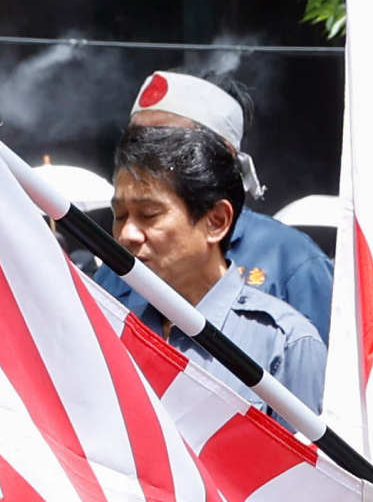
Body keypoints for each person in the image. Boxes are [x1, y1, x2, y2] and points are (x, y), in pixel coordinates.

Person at [105, 114, 325, 405]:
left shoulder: (285, 344)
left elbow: (305, 450)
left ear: (216, 221)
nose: (127, 234)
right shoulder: (110, 328)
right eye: (120, 216)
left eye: (149, 215)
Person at [128, 70, 330, 344]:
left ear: (221, 155)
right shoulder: (118, 264)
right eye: (135, 141)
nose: (143, 157)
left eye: (167, 142)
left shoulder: (292, 262)